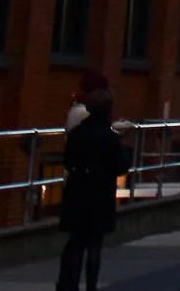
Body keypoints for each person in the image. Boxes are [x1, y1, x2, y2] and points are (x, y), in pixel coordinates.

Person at [56, 75, 129, 291]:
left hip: (78, 192)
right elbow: (121, 166)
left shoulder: (78, 133)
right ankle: (91, 285)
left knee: (76, 242)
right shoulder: (109, 137)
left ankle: (69, 285)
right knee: (94, 245)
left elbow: (67, 161)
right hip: (100, 193)